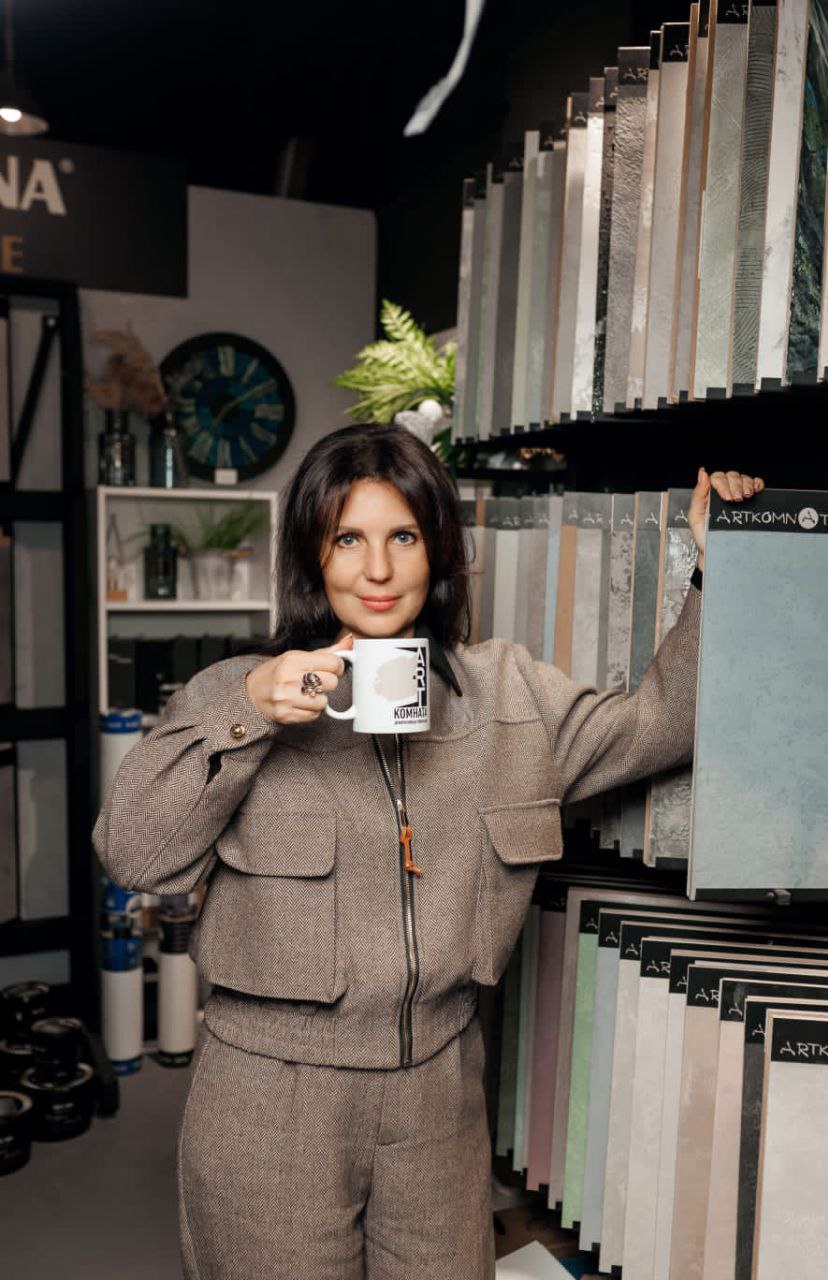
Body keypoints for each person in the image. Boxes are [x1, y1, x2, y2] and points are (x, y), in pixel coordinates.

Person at [92, 422, 764, 1280]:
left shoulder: (510, 695)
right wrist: (248, 711)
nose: (376, 570)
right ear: (310, 554)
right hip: (271, 1096)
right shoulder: (237, 693)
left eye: (402, 537)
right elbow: (133, 856)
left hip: (440, 1095)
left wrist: (717, 569)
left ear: (439, 549)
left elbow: (661, 723)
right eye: (348, 539)